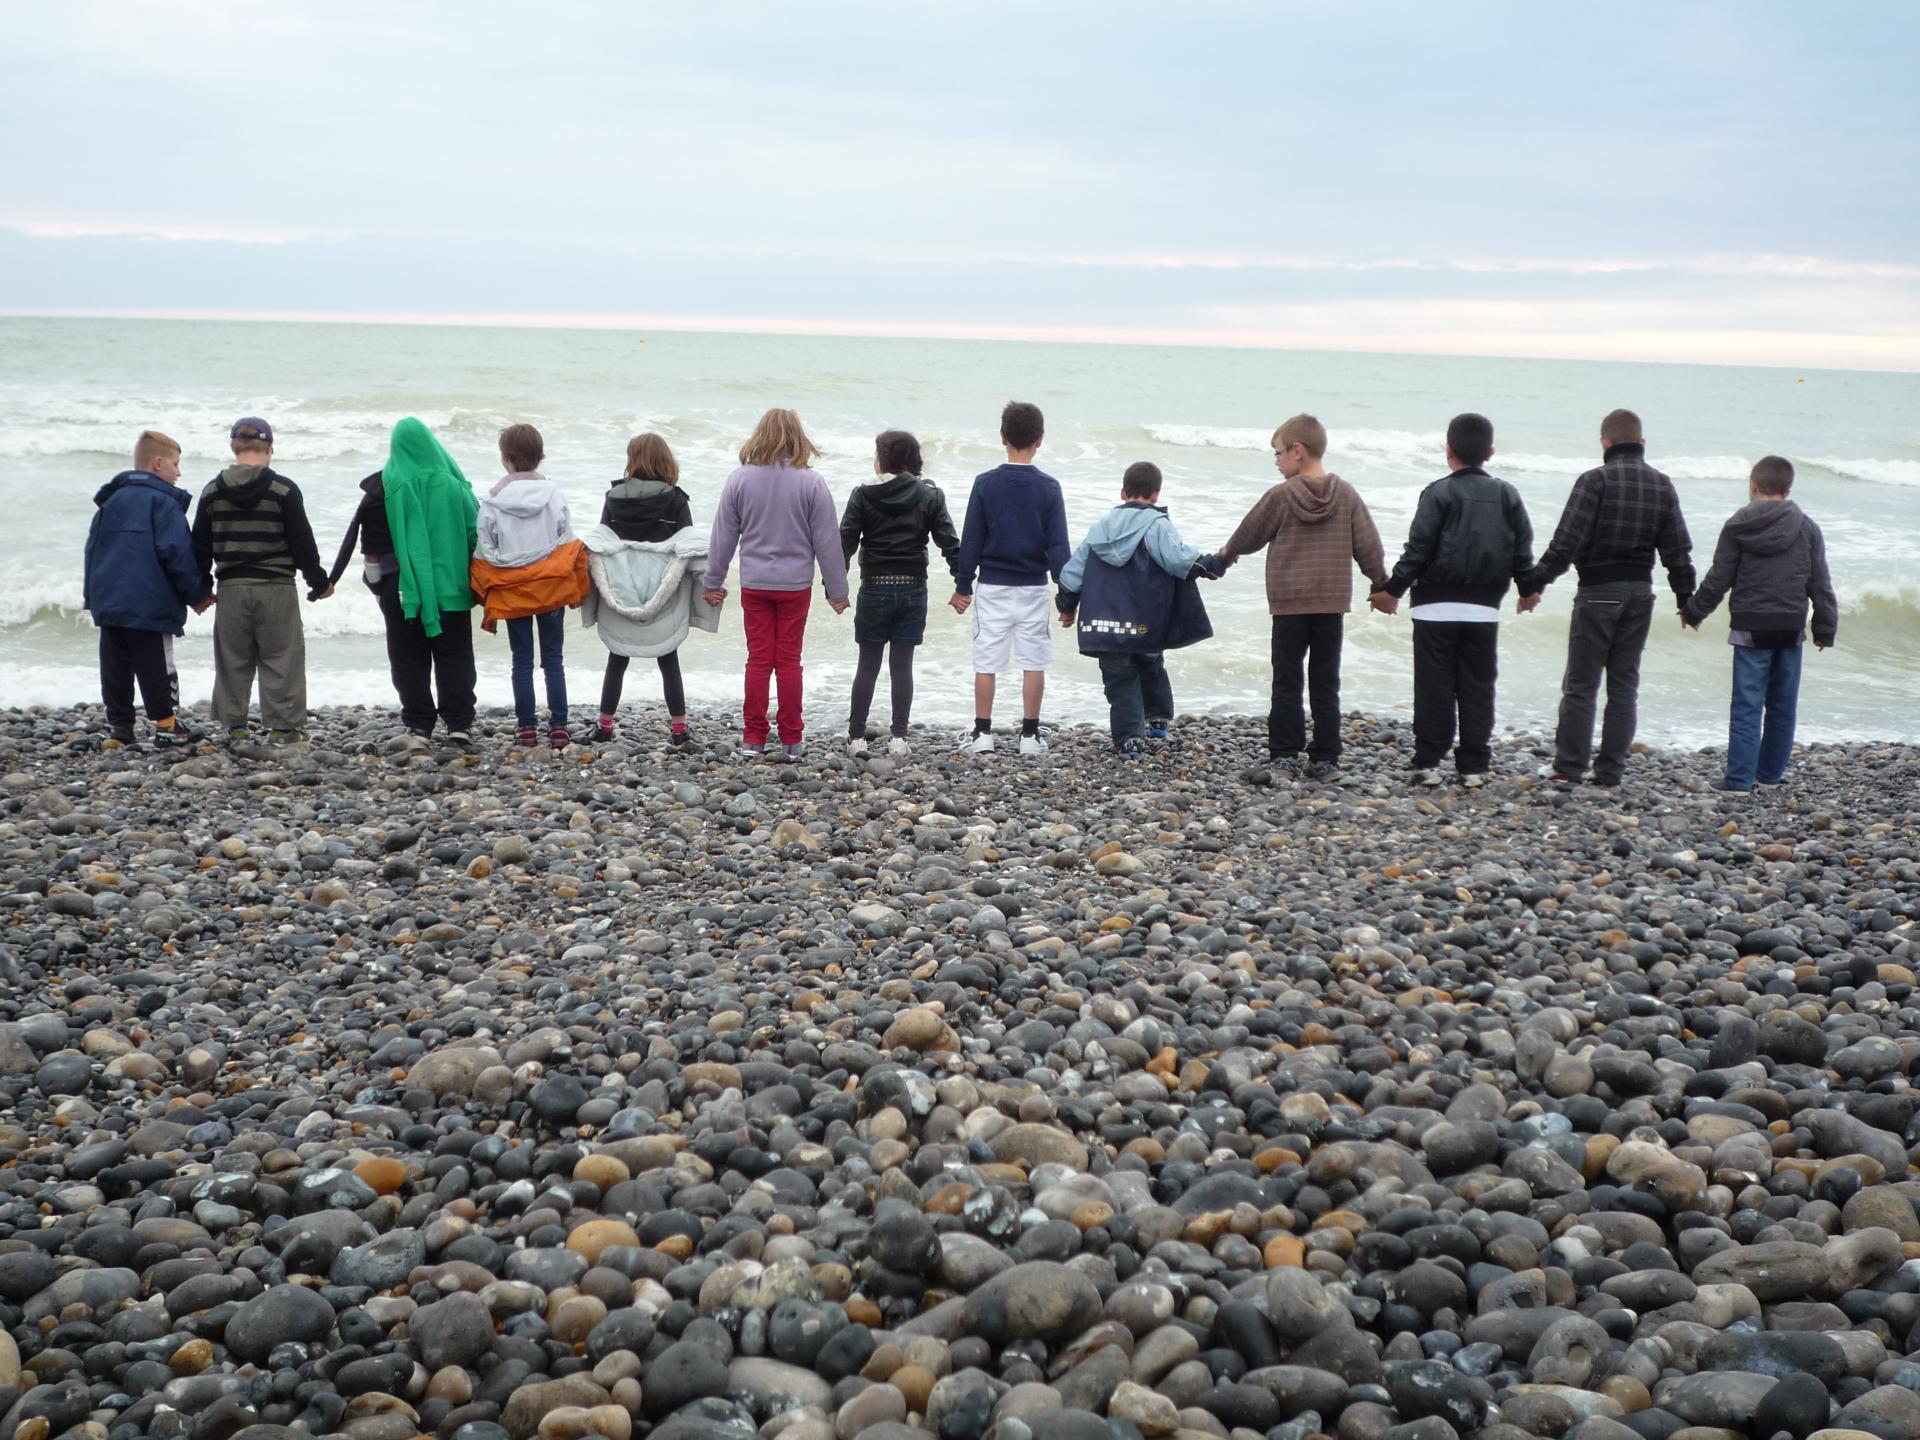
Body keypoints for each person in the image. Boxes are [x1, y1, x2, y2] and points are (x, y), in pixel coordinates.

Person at [1516, 409, 1695, 788]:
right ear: (1642, 442)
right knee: (1624, 685)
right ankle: (1611, 771)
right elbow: (1677, 551)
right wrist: (1685, 599)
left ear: (1605, 443)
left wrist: (1534, 586)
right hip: (1640, 594)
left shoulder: (1594, 481)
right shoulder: (1662, 485)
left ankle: (1569, 767)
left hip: (1598, 593)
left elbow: (1565, 544)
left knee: (1581, 686)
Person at [1220, 413, 1386, 780]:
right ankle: (1325, 756)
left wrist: (1225, 555)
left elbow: (1250, 533)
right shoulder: (1346, 494)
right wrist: (1380, 584)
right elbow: (1368, 545)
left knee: (1287, 678)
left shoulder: (1281, 495)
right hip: (1331, 602)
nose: (1277, 461)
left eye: (1278, 453)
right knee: (1326, 681)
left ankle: (1285, 753)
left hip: (1289, 603)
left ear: (1298, 451)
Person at [1372, 413, 1535, 787]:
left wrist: (1392, 590)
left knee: (1434, 686)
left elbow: (1419, 549)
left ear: (1448, 450)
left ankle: (1429, 762)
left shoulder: (1438, 492)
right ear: (1490, 452)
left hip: (1434, 606)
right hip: (1484, 608)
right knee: (1478, 686)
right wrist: (1528, 589)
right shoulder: (1508, 494)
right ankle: (1474, 766)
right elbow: (1521, 548)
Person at [1681, 456, 1838, 793]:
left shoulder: (1738, 526)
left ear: (1752, 486)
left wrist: (1694, 611)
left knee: (1747, 706)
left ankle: (1738, 780)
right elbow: (1820, 584)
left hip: (1751, 627)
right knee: (1782, 706)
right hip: (1791, 627)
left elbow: (1719, 577)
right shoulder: (1808, 528)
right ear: (1788, 489)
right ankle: (1769, 777)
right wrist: (1825, 628)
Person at [702, 408, 850, 760]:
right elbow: (827, 540)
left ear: (760, 435)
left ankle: (753, 738)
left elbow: (723, 536)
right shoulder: (811, 482)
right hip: (795, 585)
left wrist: (713, 581)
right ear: (799, 437)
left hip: (755, 581)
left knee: (757, 660)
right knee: (788, 661)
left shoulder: (739, 479)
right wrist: (837, 590)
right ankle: (792, 740)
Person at [1056, 462, 1226, 756]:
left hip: (1105, 625)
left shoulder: (1099, 529)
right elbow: (1180, 560)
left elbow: (1071, 574)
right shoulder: (1157, 525)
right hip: (1145, 620)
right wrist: (1215, 564)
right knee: (1151, 661)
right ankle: (1157, 718)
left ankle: (1128, 739)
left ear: (1123, 493)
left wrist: (1067, 607)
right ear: (1156, 495)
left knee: (1119, 679)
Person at [330, 418, 480, 745]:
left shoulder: (381, 490)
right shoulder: (455, 486)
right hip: (451, 586)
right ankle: (458, 725)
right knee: (455, 654)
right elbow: (476, 536)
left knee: (408, 656)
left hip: (401, 591)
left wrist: (380, 589)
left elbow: (371, 554)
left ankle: (419, 725)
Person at [191, 416, 333, 742]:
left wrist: (199, 589)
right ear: (269, 449)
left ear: (233, 448)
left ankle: (235, 726)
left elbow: (199, 546)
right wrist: (318, 581)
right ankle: (283, 729)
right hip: (277, 587)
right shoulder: (283, 490)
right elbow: (302, 543)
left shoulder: (212, 492)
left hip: (231, 588)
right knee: (282, 656)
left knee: (232, 659)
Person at [950, 401, 1070, 756]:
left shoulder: (985, 483)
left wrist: (962, 586)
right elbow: (1058, 548)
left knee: (986, 660)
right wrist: (1067, 598)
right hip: (1033, 587)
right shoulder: (1049, 487)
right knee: (1034, 661)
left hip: (993, 587)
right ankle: (1030, 737)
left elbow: (971, 540)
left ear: (1003, 438)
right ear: (1040, 440)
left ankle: (983, 733)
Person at [83, 430, 214, 748]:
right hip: (150, 603)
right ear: (158, 464)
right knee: (157, 663)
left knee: (115, 665)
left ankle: (120, 728)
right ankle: (167, 726)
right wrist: (197, 594)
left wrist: (93, 597)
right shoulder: (163, 503)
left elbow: (92, 550)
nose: (179, 472)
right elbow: (177, 555)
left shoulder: (111, 502)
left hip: (110, 601)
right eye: (176, 464)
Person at [839, 429, 961, 755]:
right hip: (912, 589)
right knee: (902, 666)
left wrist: (834, 587)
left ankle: (855, 737)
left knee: (867, 664)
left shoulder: (863, 495)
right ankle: (899, 738)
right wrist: (962, 584)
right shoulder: (930, 495)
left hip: (874, 588)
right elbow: (949, 543)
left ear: (882, 460)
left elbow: (844, 544)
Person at [471, 423, 586, 750]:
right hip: (550, 587)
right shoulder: (554, 495)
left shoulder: (493, 501)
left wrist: (508, 567)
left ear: (505, 459)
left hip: (513, 590)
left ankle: (526, 728)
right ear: (540, 456)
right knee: (553, 658)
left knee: (521, 658)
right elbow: (566, 540)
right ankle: (560, 727)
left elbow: (486, 549)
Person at [587, 433, 706, 746]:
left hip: (622, 588)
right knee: (668, 658)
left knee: (617, 655)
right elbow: (688, 547)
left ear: (632, 460)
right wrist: (707, 586)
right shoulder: (677, 499)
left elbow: (602, 545)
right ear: (665, 460)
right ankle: (680, 730)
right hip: (663, 592)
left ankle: (604, 725)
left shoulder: (613, 497)